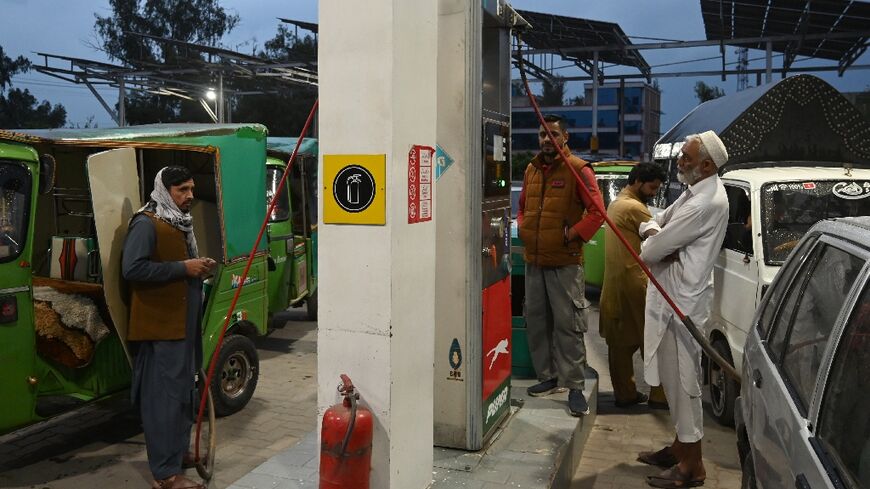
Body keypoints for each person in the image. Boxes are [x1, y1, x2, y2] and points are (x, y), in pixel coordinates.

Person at [636, 131, 729, 488]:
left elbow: (649, 252)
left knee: (684, 384)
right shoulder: (694, 192)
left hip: (682, 307)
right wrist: (655, 233)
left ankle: (692, 467)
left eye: (686, 157)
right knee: (674, 383)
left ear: (706, 165)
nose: (679, 161)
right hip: (672, 299)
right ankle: (679, 448)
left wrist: (656, 239)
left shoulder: (704, 202)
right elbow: (656, 220)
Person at [122, 166, 216, 489]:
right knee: (162, 401)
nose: (190, 196)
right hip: (161, 327)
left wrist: (198, 268)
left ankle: (176, 455)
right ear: (165, 190)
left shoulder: (177, 222)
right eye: (182, 190)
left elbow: (177, 266)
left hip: (183, 327)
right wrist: (183, 268)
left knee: (183, 396)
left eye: (191, 189)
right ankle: (165, 475)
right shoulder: (146, 223)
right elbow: (133, 269)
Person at [517, 114, 606, 417]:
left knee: (568, 326)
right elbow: (522, 208)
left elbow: (597, 212)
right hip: (534, 261)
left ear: (564, 137)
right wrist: (524, 228)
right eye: (543, 134)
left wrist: (570, 235)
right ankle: (549, 377)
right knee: (537, 323)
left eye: (553, 134)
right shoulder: (531, 170)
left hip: (565, 263)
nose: (547, 139)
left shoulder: (578, 169)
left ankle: (575, 387)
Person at [598, 163, 668, 409]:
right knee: (653, 341)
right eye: (651, 188)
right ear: (638, 181)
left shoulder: (616, 203)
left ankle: (625, 394)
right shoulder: (635, 208)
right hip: (637, 286)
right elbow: (656, 236)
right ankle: (660, 396)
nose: (653, 193)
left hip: (615, 285)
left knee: (620, 344)